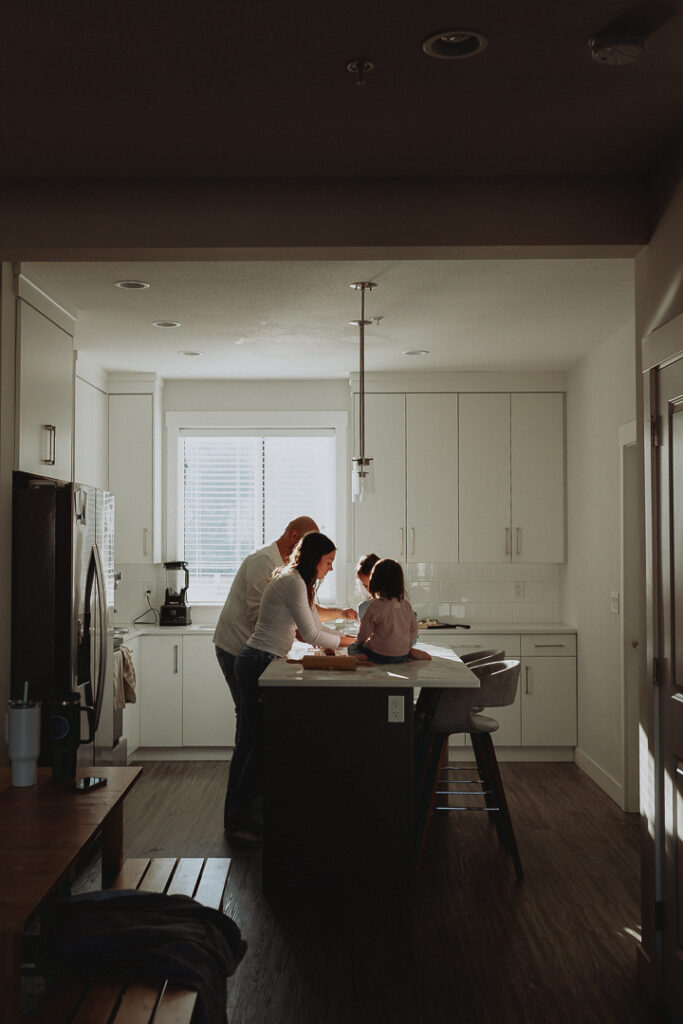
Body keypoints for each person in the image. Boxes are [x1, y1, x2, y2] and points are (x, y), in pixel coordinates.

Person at [214, 518, 355, 845]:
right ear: (315, 557)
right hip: (254, 660)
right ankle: (239, 820)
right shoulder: (289, 579)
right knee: (257, 742)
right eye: (329, 562)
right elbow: (310, 632)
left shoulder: (294, 579)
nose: (331, 569)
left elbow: (310, 623)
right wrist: (350, 644)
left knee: (256, 740)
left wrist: (340, 637)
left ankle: (249, 816)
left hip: (258, 659)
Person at [354, 553, 431, 662]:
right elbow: (414, 629)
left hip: (378, 655)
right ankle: (409, 654)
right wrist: (407, 647)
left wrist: (359, 641)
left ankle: (365, 657)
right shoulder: (405, 605)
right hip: (402, 654)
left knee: (353, 647)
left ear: (374, 581)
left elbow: (364, 631)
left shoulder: (374, 606)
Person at [354, 552, 380, 620]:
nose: (371, 590)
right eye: (366, 586)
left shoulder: (400, 606)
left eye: (373, 584)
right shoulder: (363, 608)